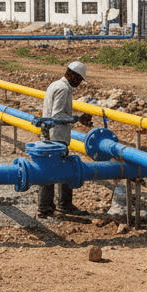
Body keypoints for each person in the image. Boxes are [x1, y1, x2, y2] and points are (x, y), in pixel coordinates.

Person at [38, 60, 92, 218]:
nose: (80, 83)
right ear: (73, 76)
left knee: (50, 170)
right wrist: (77, 119)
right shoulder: (64, 89)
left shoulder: (54, 84)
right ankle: (57, 206)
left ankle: (50, 206)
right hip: (57, 136)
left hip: (49, 134)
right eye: (80, 79)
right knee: (61, 170)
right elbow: (57, 115)